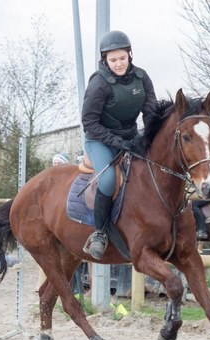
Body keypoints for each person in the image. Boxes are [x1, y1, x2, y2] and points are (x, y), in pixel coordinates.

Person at [81, 30, 157, 260]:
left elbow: (150, 110)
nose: (118, 63)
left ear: (129, 55)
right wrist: (119, 142)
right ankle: (99, 234)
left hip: (130, 138)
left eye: (122, 58)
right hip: (99, 140)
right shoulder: (99, 84)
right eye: (113, 60)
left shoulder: (141, 77)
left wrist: (148, 136)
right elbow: (89, 122)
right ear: (105, 60)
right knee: (107, 180)